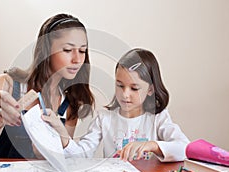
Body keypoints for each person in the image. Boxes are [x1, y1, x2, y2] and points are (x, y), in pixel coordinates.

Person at [42, 48, 190, 162]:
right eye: (120, 85)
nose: (125, 94)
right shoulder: (104, 118)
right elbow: (81, 154)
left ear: (150, 89)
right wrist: (62, 133)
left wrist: (153, 146)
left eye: (134, 88)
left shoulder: (158, 117)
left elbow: (185, 148)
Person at [0, 13, 95, 158]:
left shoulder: (69, 105)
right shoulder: (8, 84)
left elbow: (63, 159)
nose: (77, 59)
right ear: (46, 50)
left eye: (82, 51)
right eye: (67, 50)